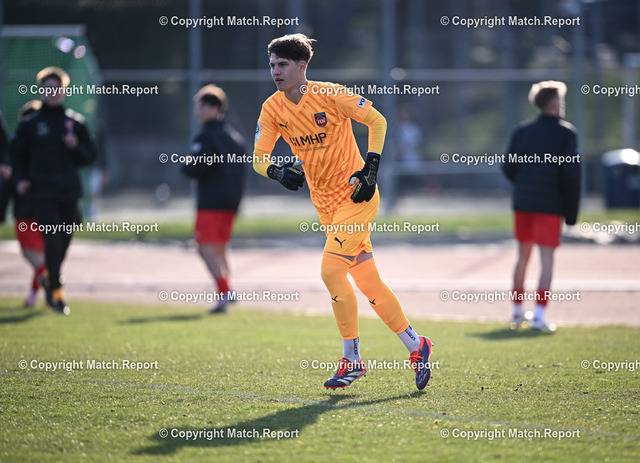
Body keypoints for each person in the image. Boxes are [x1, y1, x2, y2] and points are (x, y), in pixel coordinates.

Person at [252, 34, 433, 390]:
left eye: (282, 64)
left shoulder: (330, 94)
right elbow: (258, 158)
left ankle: (352, 359)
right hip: (326, 207)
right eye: (272, 65)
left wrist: (371, 169)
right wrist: (276, 171)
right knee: (368, 282)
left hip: (357, 196)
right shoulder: (272, 109)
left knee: (331, 271)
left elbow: (377, 121)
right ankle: (417, 345)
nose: (275, 71)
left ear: (302, 66)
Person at [12, 67, 97, 315]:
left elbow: (90, 156)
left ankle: (51, 280)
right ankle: (56, 291)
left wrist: (75, 146)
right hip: (43, 192)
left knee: (63, 241)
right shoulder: (31, 124)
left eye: (56, 88)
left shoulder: (75, 123)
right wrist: (20, 179)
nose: (52, 92)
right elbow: (17, 156)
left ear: (64, 91)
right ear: (42, 90)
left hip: (69, 192)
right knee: (52, 240)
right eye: (48, 88)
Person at [502, 81, 581, 332]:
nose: (562, 104)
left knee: (522, 257)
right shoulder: (566, 133)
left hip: (523, 203)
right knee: (546, 260)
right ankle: (539, 316)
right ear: (553, 103)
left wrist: (525, 184)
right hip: (550, 205)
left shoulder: (522, 131)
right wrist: (571, 212)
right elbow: (571, 175)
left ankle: (516, 312)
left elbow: (508, 167)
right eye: (560, 99)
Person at [182, 84, 246, 314]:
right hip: (231, 203)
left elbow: (197, 167)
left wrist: (188, 167)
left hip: (211, 203)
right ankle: (228, 290)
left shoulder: (206, 136)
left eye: (202, 107)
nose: (197, 112)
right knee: (220, 248)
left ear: (214, 108)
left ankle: (224, 292)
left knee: (204, 247)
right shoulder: (235, 138)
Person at [0, 102, 46, 307]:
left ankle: (49, 284)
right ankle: (37, 294)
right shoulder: (20, 149)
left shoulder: (20, 150)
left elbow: (9, 183)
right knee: (40, 258)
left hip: (31, 211)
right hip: (40, 210)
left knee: (33, 255)